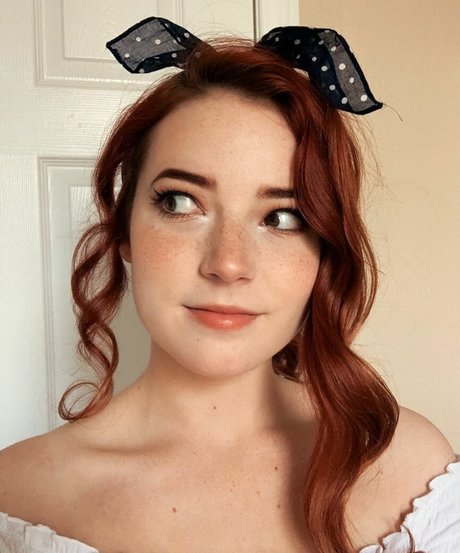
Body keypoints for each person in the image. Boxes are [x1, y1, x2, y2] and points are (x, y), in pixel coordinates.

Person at [0, 17, 458, 553]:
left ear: (324, 251)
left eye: (282, 217)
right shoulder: (20, 498)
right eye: (180, 203)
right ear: (125, 231)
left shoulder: (413, 471)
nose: (228, 264)